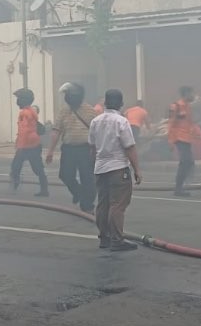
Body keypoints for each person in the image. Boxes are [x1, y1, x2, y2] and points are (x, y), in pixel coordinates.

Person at [89, 89, 143, 251]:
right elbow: (130, 147)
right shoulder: (121, 121)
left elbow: (92, 148)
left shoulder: (95, 121)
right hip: (118, 168)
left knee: (102, 204)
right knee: (117, 205)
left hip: (100, 168)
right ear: (121, 104)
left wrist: (94, 166)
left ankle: (104, 238)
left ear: (105, 103)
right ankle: (117, 240)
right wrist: (137, 170)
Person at [45, 82, 97, 212]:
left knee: (88, 178)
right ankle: (78, 192)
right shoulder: (64, 111)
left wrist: (97, 150)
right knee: (65, 175)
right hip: (68, 149)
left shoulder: (90, 111)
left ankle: (87, 205)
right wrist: (50, 151)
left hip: (86, 149)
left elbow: (97, 132)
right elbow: (56, 131)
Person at [11, 88, 49, 196]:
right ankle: (44, 189)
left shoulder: (24, 113)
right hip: (34, 143)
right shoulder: (31, 111)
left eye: (18, 98)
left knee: (16, 166)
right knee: (38, 168)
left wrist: (20, 145)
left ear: (23, 100)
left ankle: (15, 183)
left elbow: (24, 130)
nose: (17, 101)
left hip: (27, 144)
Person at [168, 85, 196, 197]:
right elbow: (171, 123)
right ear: (186, 94)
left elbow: (189, 123)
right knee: (185, 162)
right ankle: (178, 189)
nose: (193, 96)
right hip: (179, 138)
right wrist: (170, 141)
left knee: (189, 162)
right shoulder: (176, 106)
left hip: (187, 138)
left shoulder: (188, 106)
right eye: (192, 93)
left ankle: (182, 185)